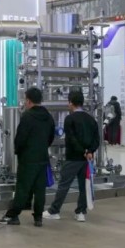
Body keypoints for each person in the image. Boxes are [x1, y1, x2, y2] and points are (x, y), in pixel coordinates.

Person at [0, 87, 55, 227]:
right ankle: (38, 218)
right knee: (40, 189)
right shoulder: (48, 116)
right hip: (42, 158)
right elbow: (51, 136)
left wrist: (18, 151)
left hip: (28, 159)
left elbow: (20, 138)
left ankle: (13, 215)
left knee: (23, 188)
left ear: (28, 101)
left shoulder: (27, 116)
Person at [44, 90, 99, 223]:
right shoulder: (91, 119)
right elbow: (96, 139)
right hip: (87, 159)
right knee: (84, 186)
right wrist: (89, 151)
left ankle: (54, 211)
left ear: (70, 103)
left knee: (64, 185)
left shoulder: (70, 119)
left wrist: (82, 151)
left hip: (73, 158)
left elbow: (71, 139)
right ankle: (81, 212)